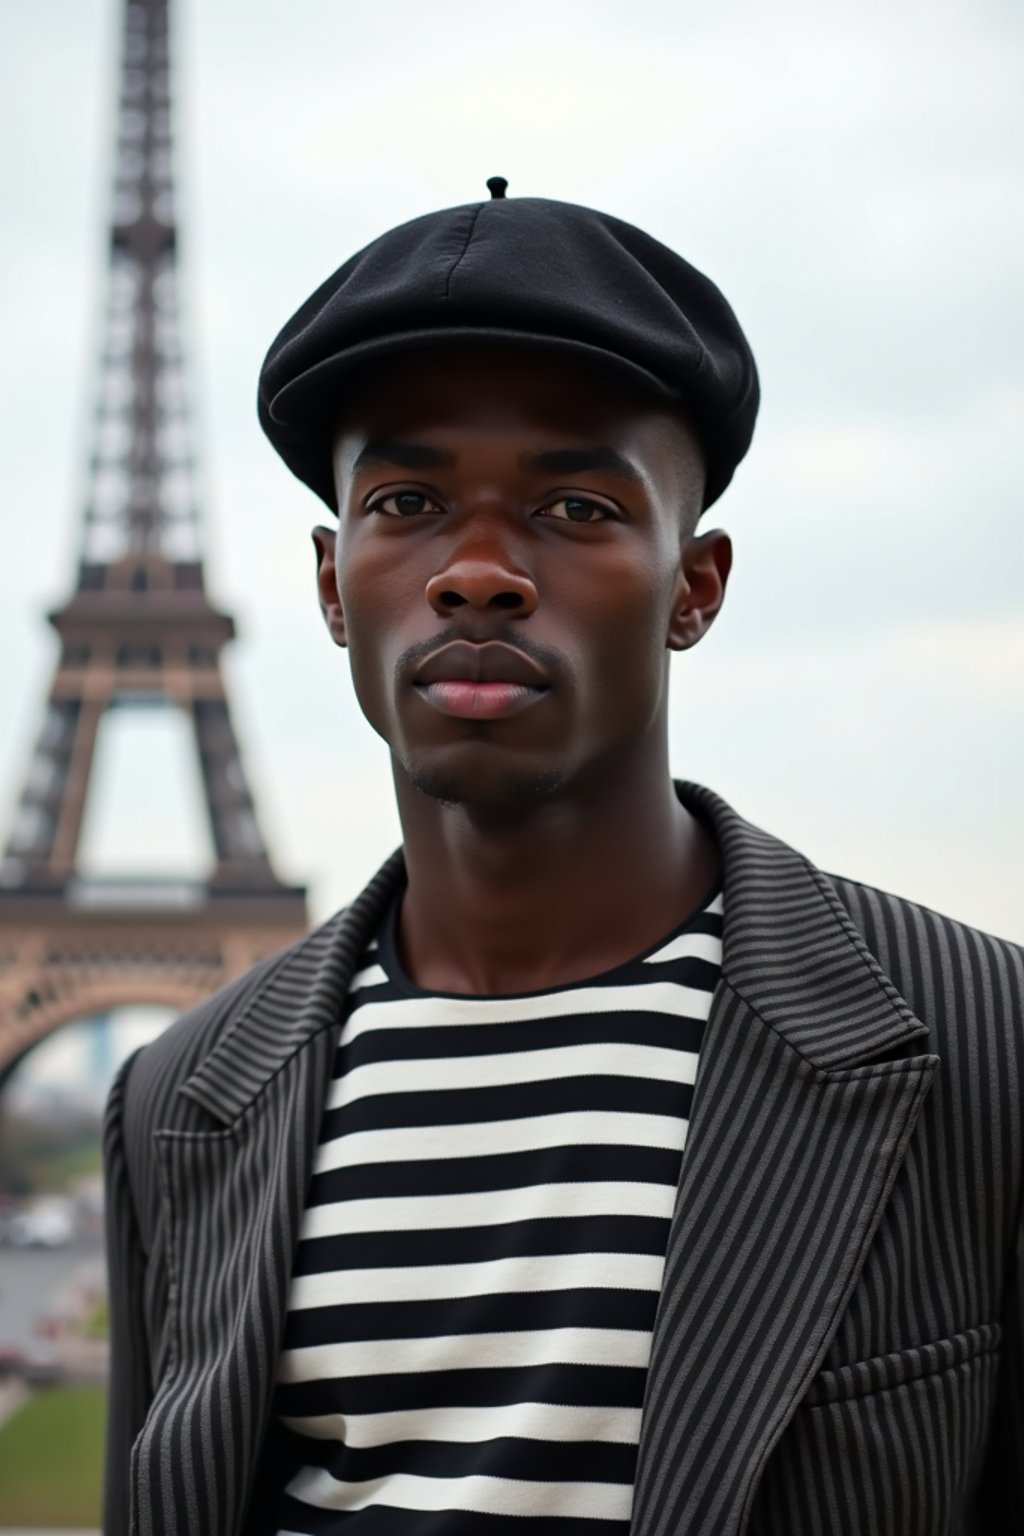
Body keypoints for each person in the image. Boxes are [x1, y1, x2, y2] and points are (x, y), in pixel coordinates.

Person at [101, 182, 1023, 1536]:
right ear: (327, 581)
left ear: (694, 585)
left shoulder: (985, 1043)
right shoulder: (174, 1107)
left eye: (579, 508)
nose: (477, 571)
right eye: (408, 499)